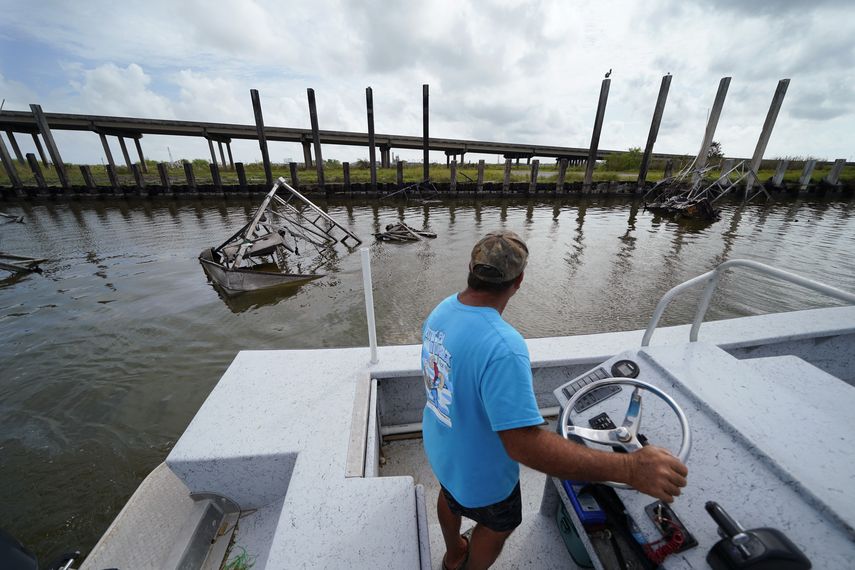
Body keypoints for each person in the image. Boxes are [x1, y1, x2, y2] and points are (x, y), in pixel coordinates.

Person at [421, 230, 688, 570]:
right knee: (498, 524)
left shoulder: (441, 311)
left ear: (470, 268)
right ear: (519, 281)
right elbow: (523, 445)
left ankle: (454, 555)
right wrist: (630, 468)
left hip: (442, 450)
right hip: (481, 476)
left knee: (450, 497)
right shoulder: (503, 346)